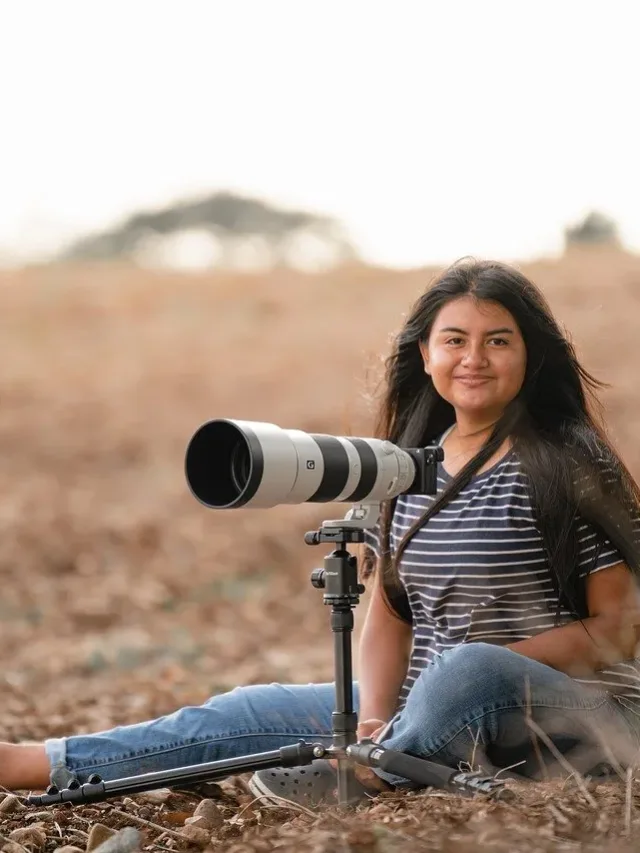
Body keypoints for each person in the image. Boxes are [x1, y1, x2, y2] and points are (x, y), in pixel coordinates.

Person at [3, 258, 640, 807]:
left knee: (470, 670)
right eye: (454, 340)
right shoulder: (408, 464)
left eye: (498, 341)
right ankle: (34, 763)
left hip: (577, 717)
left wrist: (472, 673)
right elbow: (389, 614)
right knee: (253, 709)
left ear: (530, 356)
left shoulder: (564, 465)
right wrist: (373, 719)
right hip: (429, 706)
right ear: (425, 354)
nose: (473, 358)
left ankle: (368, 777)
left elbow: (617, 629)